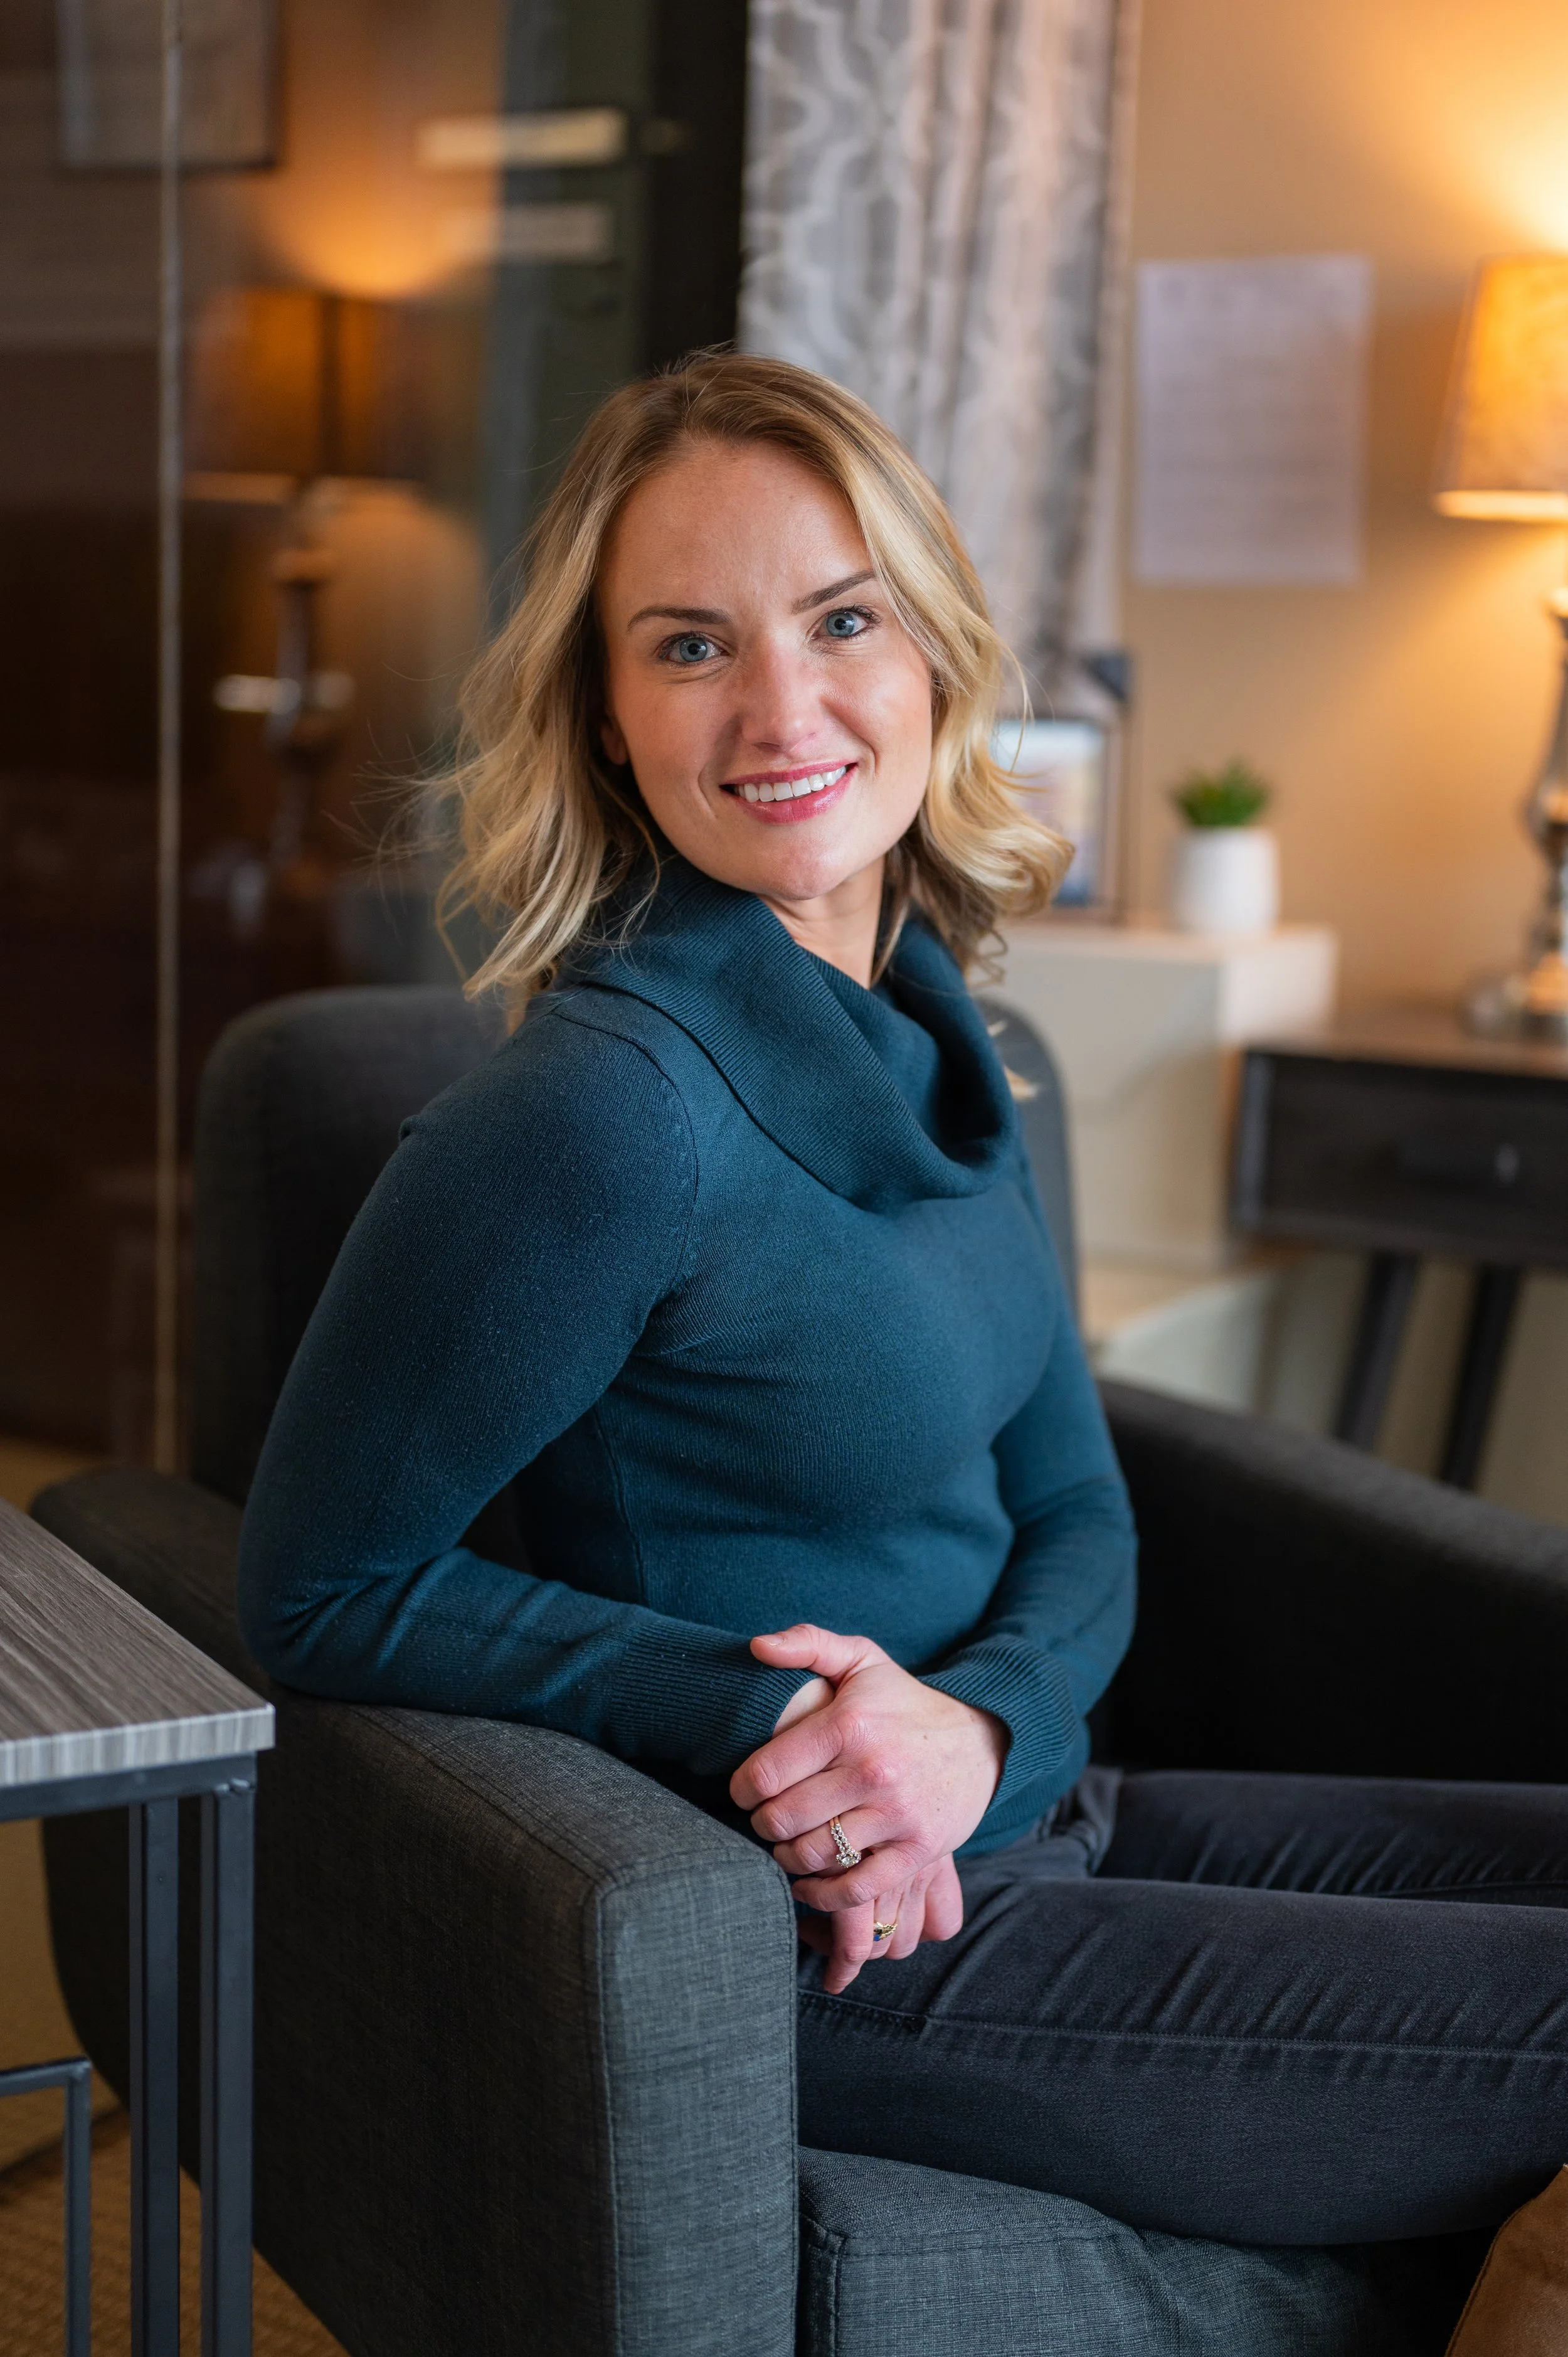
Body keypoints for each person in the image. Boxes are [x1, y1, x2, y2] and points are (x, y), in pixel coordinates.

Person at [239, 353, 1568, 2267]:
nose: (781, 708)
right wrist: (775, 1711)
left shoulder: (959, 1034)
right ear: (609, 721)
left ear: (930, 650)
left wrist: (976, 1733)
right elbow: (317, 1580)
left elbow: (1076, 1506)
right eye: (688, 646)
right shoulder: (601, 1113)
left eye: (840, 618)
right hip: (861, 1941)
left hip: (1045, 1798)